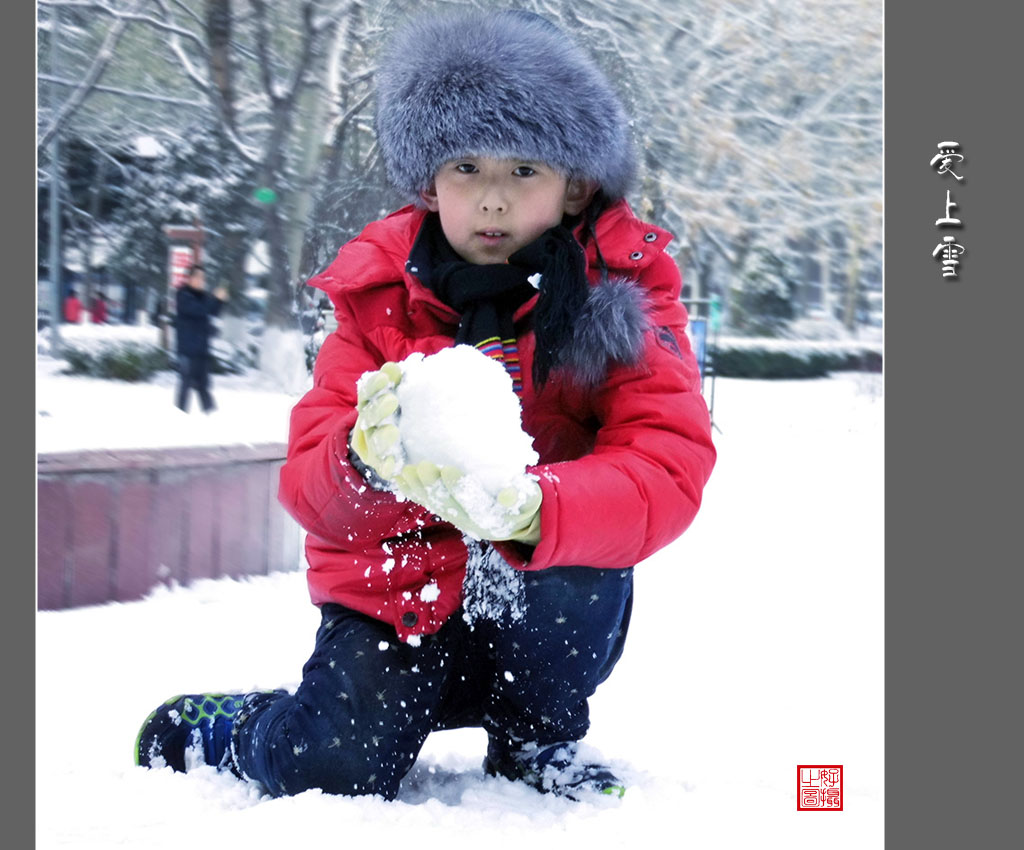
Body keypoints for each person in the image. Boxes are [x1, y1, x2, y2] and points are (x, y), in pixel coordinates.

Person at [135, 9, 716, 801]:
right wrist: (367, 459)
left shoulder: (623, 293)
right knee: (337, 767)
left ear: (575, 185)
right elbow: (309, 482)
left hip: (538, 599)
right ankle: (228, 729)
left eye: (524, 172)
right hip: (395, 589)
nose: (492, 202)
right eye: (466, 169)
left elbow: (667, 460)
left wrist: (534, 510)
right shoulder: (377, 295)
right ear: (429, 180)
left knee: (578, 550)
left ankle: (536, 735)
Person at [173, 264, 228, 413]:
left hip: (202, 350)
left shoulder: (203, 296)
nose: (200, 280)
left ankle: (210, 415)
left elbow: (212, 312)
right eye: (197, 277)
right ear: (189, 278)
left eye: (202, 278)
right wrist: (215, 299)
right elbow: (200, 310)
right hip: (187, 350)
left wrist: (220, 300)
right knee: (185, 385)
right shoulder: (183, 295)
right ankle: (179, 415)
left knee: (204, 386)